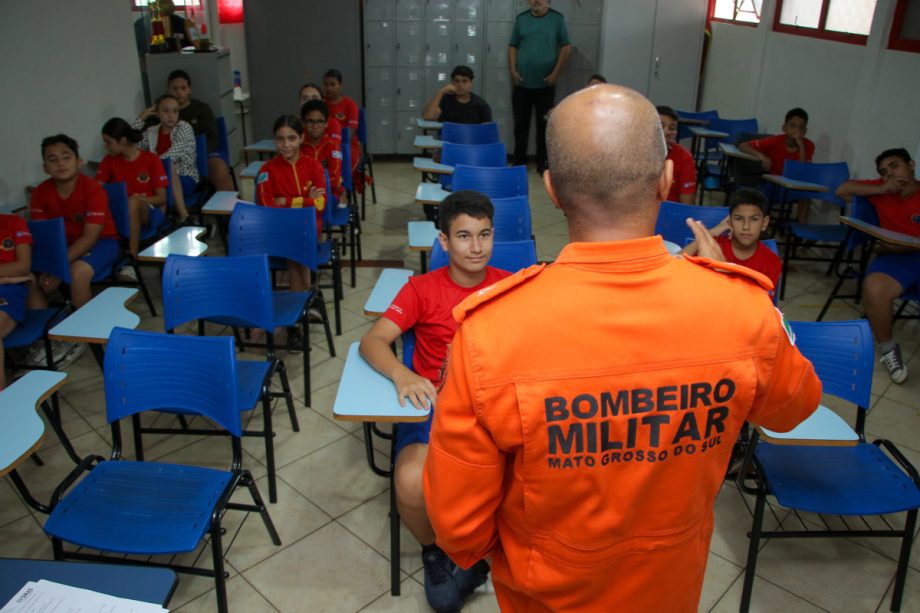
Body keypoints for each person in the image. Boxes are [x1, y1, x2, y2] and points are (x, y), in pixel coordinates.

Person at [423, 84, 822, 612]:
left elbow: (458, 525)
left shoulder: (490, 332)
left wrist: (522, 550)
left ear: (552, 189)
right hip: (670, 587)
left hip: (546, 595)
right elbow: (796, 408)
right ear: (666, 179)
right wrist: (740, 293)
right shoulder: (742, 309)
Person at [359, 191, 509, 612]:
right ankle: (436, 553)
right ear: (443, 241)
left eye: (484, 234)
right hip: (437, 411)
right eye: (463, 236)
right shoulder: (420, 289)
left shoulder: (509, 285)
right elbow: (373, 341)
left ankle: (497, 547)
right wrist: (402, 373)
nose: (476, 247)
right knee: (409, 481)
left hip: (494, 409)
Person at [836, 147, 920, 384]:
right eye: (884, 172)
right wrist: (881, 188)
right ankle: (888, 348)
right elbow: (842, 190)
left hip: (908, 251)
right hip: (896, 259)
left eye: (895, 166)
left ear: (911, 165)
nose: (890, 174)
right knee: (874, 287)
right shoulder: (882, 190)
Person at [31, 134, 120, 309]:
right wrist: (47, 269)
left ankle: (87, 326)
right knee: (29, 276)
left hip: (102, 243)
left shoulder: (94, 190)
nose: (60, 163)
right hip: (61, 247)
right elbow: (43, 237)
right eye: (53, 160)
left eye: (66, 157)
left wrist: (58, 268)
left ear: (79, 162)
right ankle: (48, 323)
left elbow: (90, 238)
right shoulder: (40, 193)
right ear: (45, 168)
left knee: (77, 273)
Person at [256, 115, 326, 298]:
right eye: (280, 139)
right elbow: (266, 208)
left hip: (309, 228)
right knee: (295, 250)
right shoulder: (267, 169)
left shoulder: (314, 166)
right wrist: (306, 201)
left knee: (297, 251)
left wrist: (286, 202)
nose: (286, 144)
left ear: (302, 138)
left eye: (292, 138)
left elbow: (320, 205)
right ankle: (306, 300)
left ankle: (301, 304)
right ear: (275, 141)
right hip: (279, 229)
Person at [509, 0, 571, 175]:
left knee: (544, 126)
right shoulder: (521, 19)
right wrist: (513, 71)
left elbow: (566, 48)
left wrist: (556, 74)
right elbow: (513, 46)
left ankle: (542, 164)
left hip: (545, 85)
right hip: (521, 84)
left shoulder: (557, 19)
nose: (536, 1)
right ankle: (519, 161)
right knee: (520, 126)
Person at [683, 188, 781, 299]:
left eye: (754, 219)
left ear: (764, 223)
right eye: (739, 219)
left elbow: (763, 304)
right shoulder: (714, 247)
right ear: (730, 221)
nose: (746, 226)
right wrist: (710, 234)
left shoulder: (771, 262)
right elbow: (675, 265)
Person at [96, 118, 169, 260]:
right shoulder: (109, 160)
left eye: (108, 142)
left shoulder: (151, 160)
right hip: (121, 210)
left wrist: (134, 199)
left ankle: (132, 255)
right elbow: (96, 188)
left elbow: (162, 198)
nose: (106, 146)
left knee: (132, 202)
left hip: (148, 211)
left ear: (122, 141)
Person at [739, 107, 815, 222]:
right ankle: (758, 224)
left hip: (795, 185)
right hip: (775, 183)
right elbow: (743, 146)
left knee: (806, 196)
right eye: (792, 126)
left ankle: (801, 230)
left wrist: (801, 146)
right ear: (784, 127)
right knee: (761, 198)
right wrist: (761, 156)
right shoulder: (775, 141)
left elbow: (802, 169)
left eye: (800, 128)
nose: (796, 131)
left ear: (805, 131)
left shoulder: (808, 145)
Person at [164, 70, 235, 192]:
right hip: (176, 158)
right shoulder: (164, 112)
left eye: (183, 88)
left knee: (218, 168)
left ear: (189, 89)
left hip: (204, 153)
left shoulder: (201, 109)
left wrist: (196, 154)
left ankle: (229, 203)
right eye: (175, 89)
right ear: (169, 90)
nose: (179, 92)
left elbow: (212, 138)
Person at [134, 93, 196, 222]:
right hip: (157, 179)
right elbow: (131, 146)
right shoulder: (151, 131)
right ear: (157, 113)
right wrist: (141, 118)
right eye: (166, 111)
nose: (171, 115)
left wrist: (152, 168)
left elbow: (170, 157)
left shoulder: (184, 127)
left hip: (184, 177)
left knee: (169, 167)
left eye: (175, 111)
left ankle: (184, 216)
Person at [0, 213, 33, 389]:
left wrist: (9, 280)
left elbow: (22, 266)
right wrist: (6, 276)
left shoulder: (13, 222)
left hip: (9, 292)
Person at [300, 100, 345, 206]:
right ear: (303, 123)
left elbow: (334, 181)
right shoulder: (298, 145)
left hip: (330, 193)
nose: (315, 126)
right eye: (310, 121)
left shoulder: (333, 147)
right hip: (302, 193)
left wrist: (313, 190)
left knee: (315, 204)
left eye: (319, 121)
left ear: (326, 123)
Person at [421, 65, 492, 124]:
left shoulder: (481, 105)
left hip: (471, 137)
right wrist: (441, 92)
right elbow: (428, 117)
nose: (460, 85)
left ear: (471, 83)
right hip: (447, 137)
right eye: (457, 81)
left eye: (464, 81)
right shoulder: (445, 100)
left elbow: (487, 130)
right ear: (452, 83)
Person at [658, 105, 696, 205]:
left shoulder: (684, 158)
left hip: (668, 211)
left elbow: (687, 204)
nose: (666, 131)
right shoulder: (636, 152)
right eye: (661, 127)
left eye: (672, 128)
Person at [323, 69, 360, 172]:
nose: (328, 88)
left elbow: (351, 131)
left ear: (340, 85)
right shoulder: (321, 104)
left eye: (332, 84)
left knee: (339, 166)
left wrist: (336, 146)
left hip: (346, 145)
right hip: (325, 144)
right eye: (326, 84)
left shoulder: (350, 104)